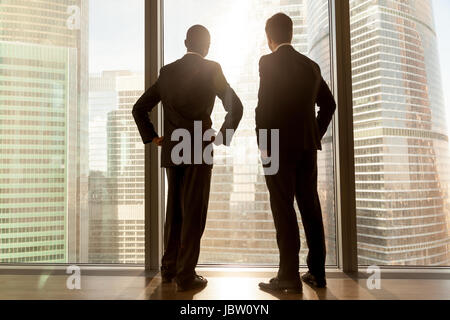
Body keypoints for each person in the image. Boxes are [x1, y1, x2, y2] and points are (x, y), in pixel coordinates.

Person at [132, 25, 243, 292]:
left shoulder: (168, 72)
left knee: (175, 210)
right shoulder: (212, 69)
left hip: (174, 148)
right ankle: (186, 276)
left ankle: (169, 268)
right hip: (200, 147)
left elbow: (139, 108)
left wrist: (154, 137)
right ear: (207, 46)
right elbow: (236, 106)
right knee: (195, 210)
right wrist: (220, 137)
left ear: (185, 43)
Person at [256, 13, 336, 293]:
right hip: (306, 147)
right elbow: (329, 105)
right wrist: (313, 133)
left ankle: (288, 277)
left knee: (283, 208)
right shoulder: (310, 66)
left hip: (275, 145)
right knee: (310, 207)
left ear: (269, 37)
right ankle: (317, 274)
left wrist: (262, 144)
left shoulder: (268, 62)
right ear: (291, 34)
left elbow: (263, 106)